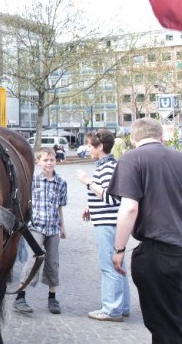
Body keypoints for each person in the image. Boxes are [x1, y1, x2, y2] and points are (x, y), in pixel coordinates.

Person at [109, 118, 182, 341]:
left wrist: (119, 249)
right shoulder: (179, 157)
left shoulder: (132, 159)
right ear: (162, 136)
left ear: (133, 139)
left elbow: (129, 208)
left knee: (164, 327)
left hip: (158, 254)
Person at [75, 129, 130, 322]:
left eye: (90, 145)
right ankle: (122, 306)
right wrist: (91, 207)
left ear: (100, 147)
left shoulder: (107, 168)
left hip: (107, 224)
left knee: (109, 267)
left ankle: (112, 309)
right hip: (111, 222)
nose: (88, 149)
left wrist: (88, 182)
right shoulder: (110, 165)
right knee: (118, 266)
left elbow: (111, 198)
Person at [13, 147, 67, 315]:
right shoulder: (32, 181)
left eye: (52, 160)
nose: (49, 163)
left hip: (53, 227)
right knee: (34, 259)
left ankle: (52, 297)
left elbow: (60, 206)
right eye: (45, 160)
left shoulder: (61, 182)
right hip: (36, 226)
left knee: (53, 262)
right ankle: (20, 296)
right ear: (38, 161)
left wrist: (63, 227)